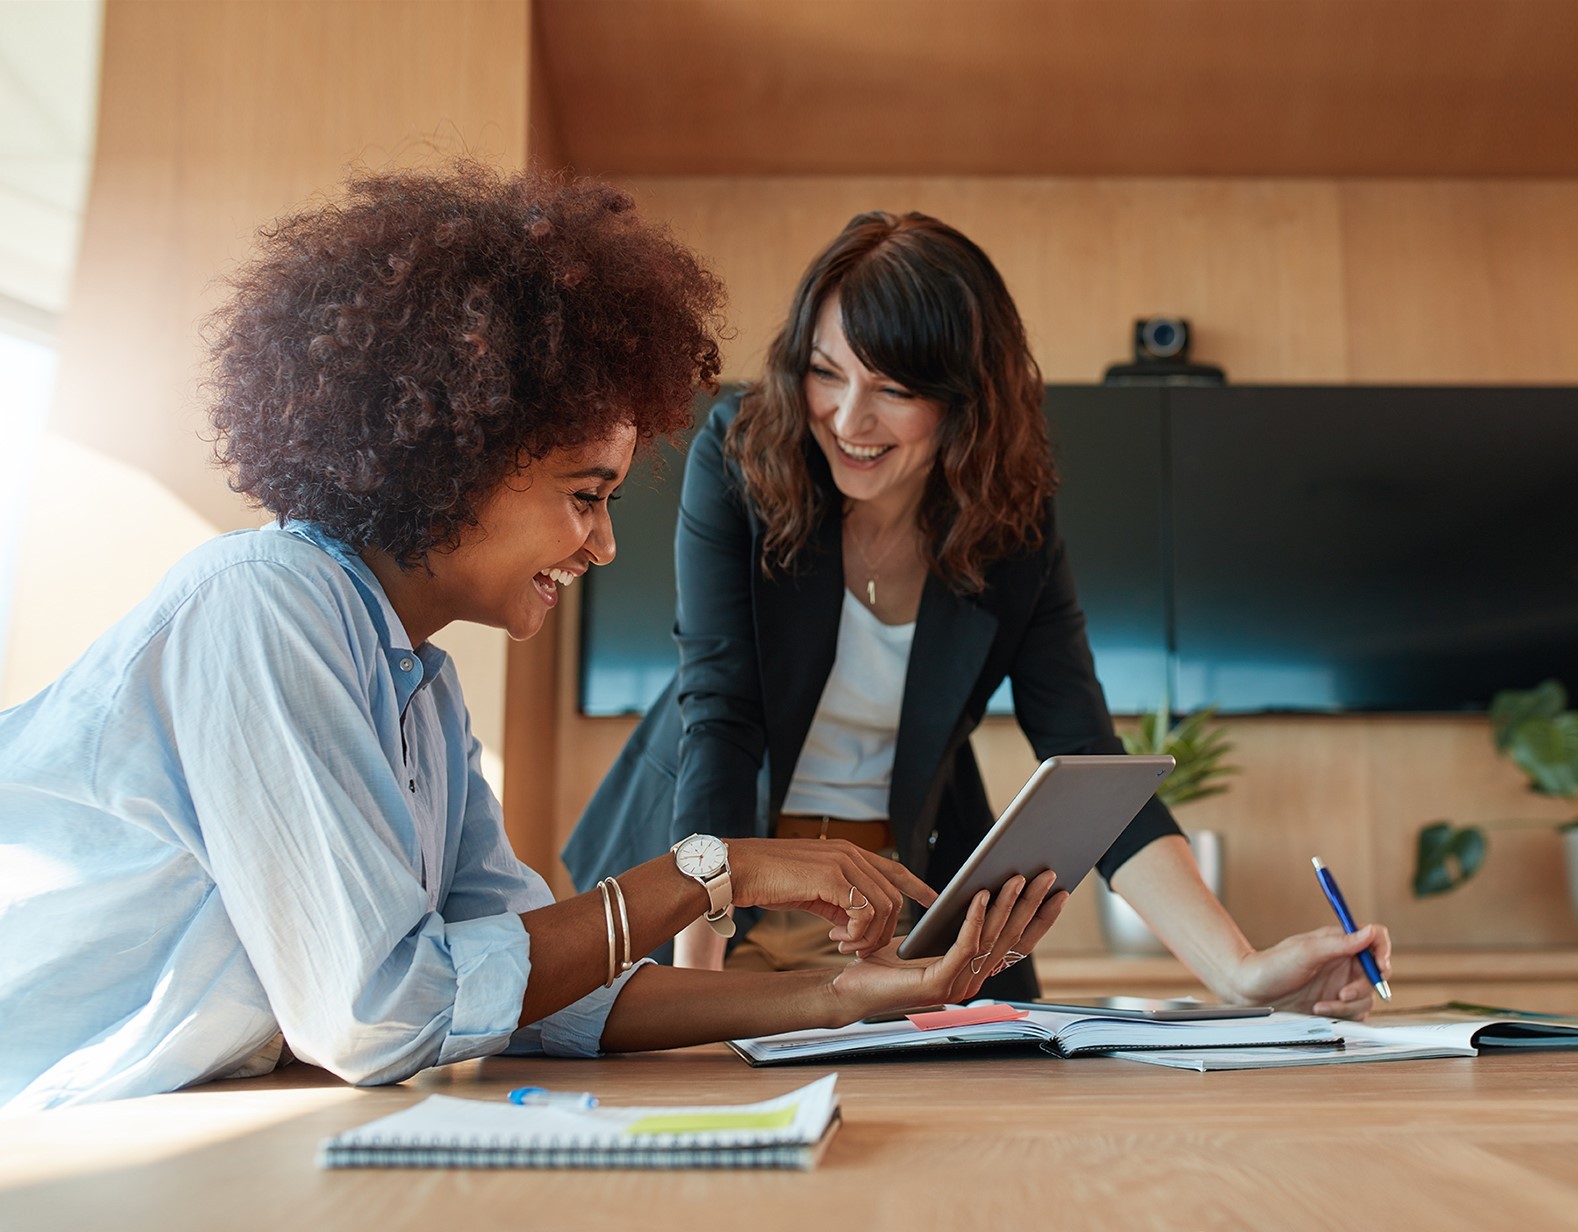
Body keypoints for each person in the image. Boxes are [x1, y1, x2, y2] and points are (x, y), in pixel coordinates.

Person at [0, 169, 1065, 1113]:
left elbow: (547, 996)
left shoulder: (419, 687)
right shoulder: (264, 607)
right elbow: (383, 1014)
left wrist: (839, 996)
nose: (602, 542)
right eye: (585, 494)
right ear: (457, 456)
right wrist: (716, 867)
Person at [564, 210, 1392, 1014]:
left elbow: (1086, 756)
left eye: (892, 388)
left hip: (888, 914)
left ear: (965, 399)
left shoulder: (1009, 525)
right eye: (826, 371)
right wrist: (697, 987)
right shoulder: (742, 456)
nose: (849, 419)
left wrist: (1242, 973)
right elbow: (723, 714)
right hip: (707, 894)